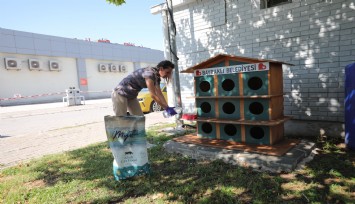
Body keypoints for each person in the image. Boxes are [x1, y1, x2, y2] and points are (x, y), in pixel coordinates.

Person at [112, 60, 177, 117]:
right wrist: (166, 108)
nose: (168, 75)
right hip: (120, 93)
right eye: (167, 72)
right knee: (121, 119)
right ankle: (119, 131)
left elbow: (159, 94)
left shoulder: (157, 78)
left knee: (139, 118)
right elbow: (153, 95)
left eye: (170, 73)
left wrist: (167, 107)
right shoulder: (149, 73)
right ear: (161, 69)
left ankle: (137, 131)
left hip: (132, 96)